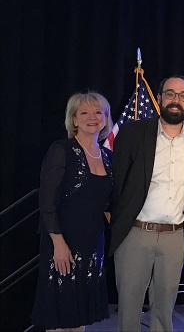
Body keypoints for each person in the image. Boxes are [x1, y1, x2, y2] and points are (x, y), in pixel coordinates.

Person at [109, 75, 184, 332]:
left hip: (175, 236)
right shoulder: (133, 132)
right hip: (135, 232)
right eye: (170, 94)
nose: (176, 100)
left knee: (164, 313)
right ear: (159, 98)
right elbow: (117, 181)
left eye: (183, 95)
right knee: (129, 310)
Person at [31, 92, 113, 331]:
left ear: (106, 119)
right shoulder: (61, 150)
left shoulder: (108, 156)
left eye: (98, 112)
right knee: (60, 315)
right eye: (84, 113)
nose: (92, 117)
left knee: (80, 316)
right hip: (62, 243)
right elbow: (46, 202)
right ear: (74, 120)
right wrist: (58, 243)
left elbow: (107, 203)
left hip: (92, 244)